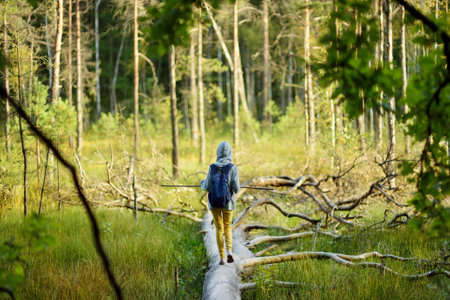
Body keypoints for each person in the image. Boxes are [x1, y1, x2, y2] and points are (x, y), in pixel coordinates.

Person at [201, 141, 240, 265]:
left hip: (213, 203)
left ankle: (222, 258)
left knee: (219, 228)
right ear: (229, 152)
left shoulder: (212, 167)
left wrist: (202, 183)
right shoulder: (233, 168)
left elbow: (206, 187)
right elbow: (237, 189)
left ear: (218, 152)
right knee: (227, 226)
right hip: (227, 203)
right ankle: (229, 251)